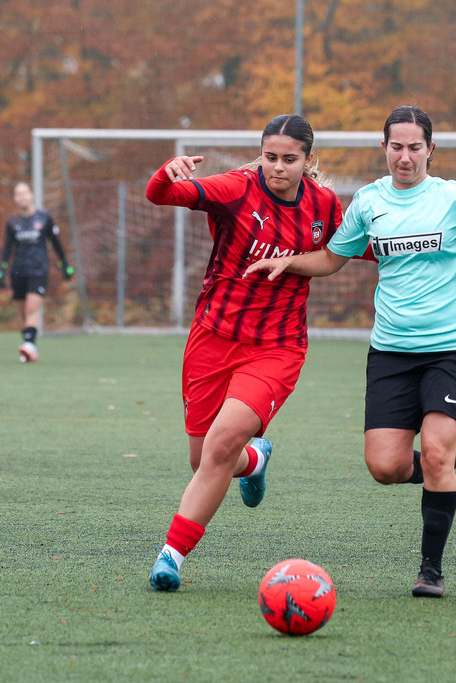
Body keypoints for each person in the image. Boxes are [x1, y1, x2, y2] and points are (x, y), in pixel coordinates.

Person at [244, 105, 456, 598]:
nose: (405, 156)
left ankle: (431, 570)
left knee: (439, 451)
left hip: (455, 352)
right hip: (391, 353)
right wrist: (290, 261)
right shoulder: (368, 202)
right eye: (396, 146)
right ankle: (437, 472)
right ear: (384, 148)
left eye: (415, 147)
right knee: (386, 467)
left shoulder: (454, 198)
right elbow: (334, 259)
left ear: (430, 149)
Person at [144, 114, 344, 591]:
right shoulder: (236, 188)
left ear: (308, 161)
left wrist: (294, 263)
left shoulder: (325, 205)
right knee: (204, 460)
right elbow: (162, 196)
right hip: (214, 337)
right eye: (270, 157)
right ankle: (255, 460)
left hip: (277, 347)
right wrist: (166, 172)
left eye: (289, 160)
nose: (278, 168)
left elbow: (344, 253)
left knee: (220, 444)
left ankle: (171, 555)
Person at [0, 182, 73, 363]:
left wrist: (65, 264)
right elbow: (7, 248)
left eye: (25, 193)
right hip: (18, 271)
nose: (22, 197)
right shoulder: (13, 221)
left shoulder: (44, 217)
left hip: (38, 271)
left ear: (31, 195)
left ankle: (29, 345)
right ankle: (30, 347)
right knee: (23, 314)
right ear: (15, 199)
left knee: (32, 309)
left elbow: (56, 243)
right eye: (18, 194)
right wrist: (1, 270)